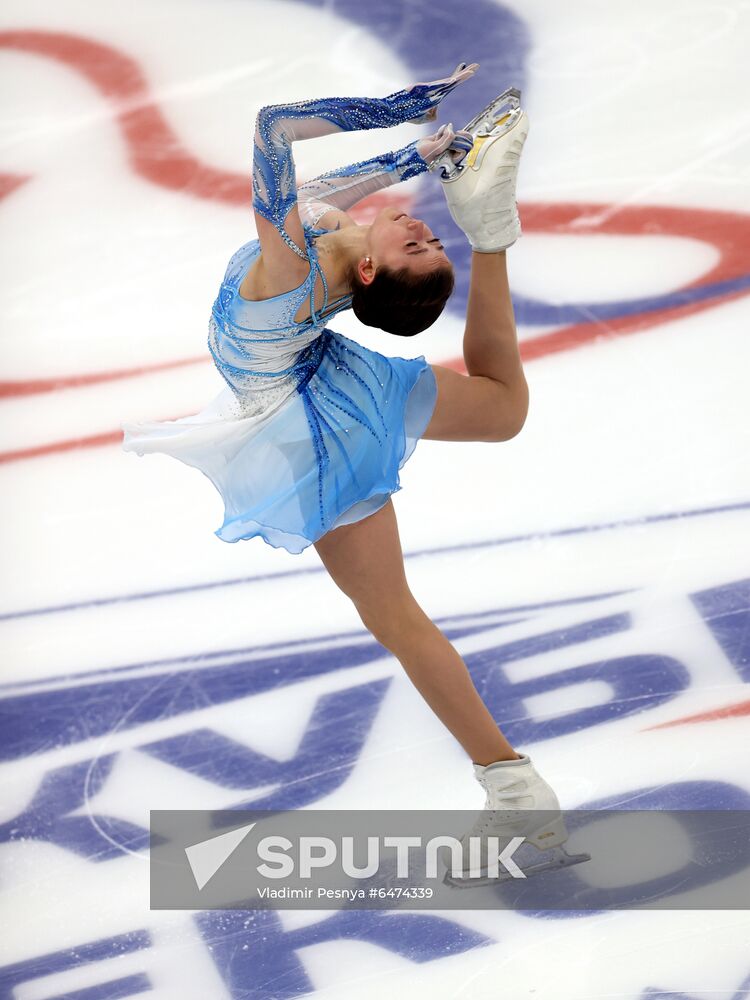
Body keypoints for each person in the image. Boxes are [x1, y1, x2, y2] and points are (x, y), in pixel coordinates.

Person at [122, 64, 582, 883]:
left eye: (422, 248)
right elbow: (325, 187)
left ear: (368, 276)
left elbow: (273, 130)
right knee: (502, 411)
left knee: (392, 612)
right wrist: (424, 157)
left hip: (310, 418)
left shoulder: (299, 266)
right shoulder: (333, 236)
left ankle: (516, 791)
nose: (418, 234)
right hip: (323, 375)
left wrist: (393, 114)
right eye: (435, 240)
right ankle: (491, 236)